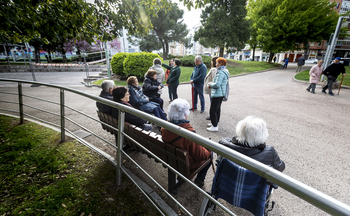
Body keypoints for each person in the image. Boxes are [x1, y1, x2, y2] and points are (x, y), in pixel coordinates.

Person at [160, 98, 212, 188]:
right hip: (186, 164)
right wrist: (209, 149)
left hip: (172, 160)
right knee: (210, 155)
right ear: (184, 114)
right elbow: (201, 156)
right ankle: (199, 180)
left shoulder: (164, 127)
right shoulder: (188, 134)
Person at [218, 116, 285, 172]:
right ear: (262, 135)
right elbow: (280, 167)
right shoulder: (270, 153)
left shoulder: (224, 144)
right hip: (255, 187)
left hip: (226, 184)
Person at [207, 57, 229, 132]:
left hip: (217, 93)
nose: (216, 64)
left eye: (217, 63)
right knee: (217, 109)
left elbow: (217, 84)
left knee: (213, 110)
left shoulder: (221, 72)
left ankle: (214, 126)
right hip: (220, 93)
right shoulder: (223, 71)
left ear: (221, 64)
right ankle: (215, 123)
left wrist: (210, 84)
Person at [204, 56, 218, 120]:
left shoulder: (214, 69)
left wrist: (210, 84)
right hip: (212, 90)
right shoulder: (214, 69)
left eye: (212, 61)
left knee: (213, 104)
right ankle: (213, 116)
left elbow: (214, 79)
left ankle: (213, 116)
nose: (211, 62)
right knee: (213, 103)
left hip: (212, 90)